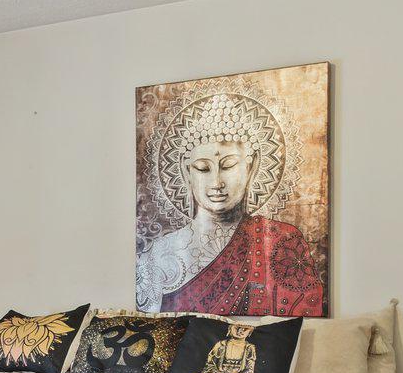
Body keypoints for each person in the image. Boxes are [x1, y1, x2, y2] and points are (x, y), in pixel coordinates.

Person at [136, 92, 323, 317]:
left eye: (228, 165)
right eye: (203, 168)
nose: (217, 183)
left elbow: (303, 318)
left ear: (251, 167)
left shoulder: (281, 241)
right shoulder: (160, 252)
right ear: (187, 173)